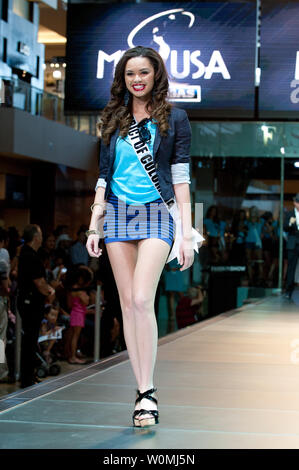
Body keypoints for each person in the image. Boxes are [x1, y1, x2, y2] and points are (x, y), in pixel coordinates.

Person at [86, 46, 196, 427]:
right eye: (131, 73)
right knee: (127, 306)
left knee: (139, 298)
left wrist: (185, 233)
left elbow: (180, 179)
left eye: (144, 73)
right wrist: (94, 223)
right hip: (117, 214)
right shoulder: (113, 119)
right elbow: (103, 176)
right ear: (123, 78)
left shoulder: (176, 119)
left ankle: (147, 392)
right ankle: (142, 391)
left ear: (155, 76)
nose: (137, 79)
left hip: (157, 214)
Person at [17, 224, 55, 388]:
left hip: (30, 301)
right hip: (30, 302)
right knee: (29, 340)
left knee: (31, 340)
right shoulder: (30, 256)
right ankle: (26, 377)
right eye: (40, 235)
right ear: (36, 237)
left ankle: (29, 374)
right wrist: (50, 291)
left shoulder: (26, 253)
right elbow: (39, 282)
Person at [283, 193, 299, 299]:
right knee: (291, 267)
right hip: (293, 243)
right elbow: (284, 227)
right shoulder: (289, 214)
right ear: (295, 203)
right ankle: (288, 290)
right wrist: (289, 223)